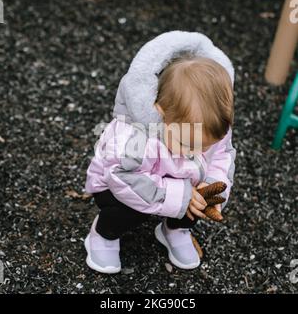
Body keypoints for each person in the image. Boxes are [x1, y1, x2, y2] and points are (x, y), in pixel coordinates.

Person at [84, 31, 236, 274]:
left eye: (203, 146)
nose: (195, 152)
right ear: (161, 112)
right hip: (118, 187)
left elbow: (222, 157)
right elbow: (123, 178)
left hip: (173, 187)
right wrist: (179, 197)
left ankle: (174, 230)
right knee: (129, 210)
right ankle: (103, 234)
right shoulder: (134, 136)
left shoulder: (209, 126)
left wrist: (212, 186)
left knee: (201, 198)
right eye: (187, 144)